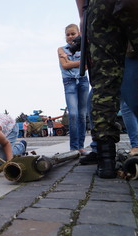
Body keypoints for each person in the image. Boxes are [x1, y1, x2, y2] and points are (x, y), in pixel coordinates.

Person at [76, 0, 138, 178]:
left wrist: (84, 21)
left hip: (100, 7)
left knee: (104, 84)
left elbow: (82, 10)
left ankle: (107, 162)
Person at [57, 23, 89, 156]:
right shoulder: (61, 49)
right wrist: (78, 63)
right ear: (65, 37)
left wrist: (70, 62)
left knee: (82, 114)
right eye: (68, 34)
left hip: (83, 81)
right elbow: (64, 66)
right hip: (69, 82)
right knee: (73, 114)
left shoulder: (84, 48)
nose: (70, 36)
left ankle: (81, 146)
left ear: (78, 34)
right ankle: (73, 147)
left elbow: (86, 65)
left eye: (73, 34)